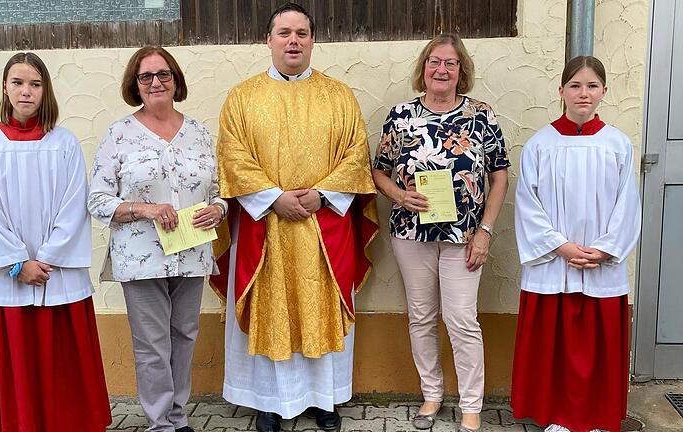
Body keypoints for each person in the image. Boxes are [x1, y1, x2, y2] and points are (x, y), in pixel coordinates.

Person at [212, 3, 379, 432]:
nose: (293, 41)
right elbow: (232, 155)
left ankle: (326, 400)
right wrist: (273, 198)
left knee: (321, 307)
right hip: (265, 225)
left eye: (301, 33)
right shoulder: (243, 98)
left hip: (324, 227)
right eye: (284, 33)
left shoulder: (339, 96)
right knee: (272, 308)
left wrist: (321, 196)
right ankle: (268, 401)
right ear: (268, 40)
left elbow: (356, 155)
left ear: (311, 40)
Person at [371, 34, 510, 432]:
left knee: (462, 319)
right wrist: (399, 194)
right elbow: (378, 169)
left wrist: (485, 231)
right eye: (434, 62)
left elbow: (499, 177)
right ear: (423, 68)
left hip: (465, 236)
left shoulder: (481, 115)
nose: (441, 70)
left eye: (450, 63)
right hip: (410, 232)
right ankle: (431, 394)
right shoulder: (400, 115)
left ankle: (471, 404)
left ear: (461, 70)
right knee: (421, 316)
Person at [0, 52, 111, 431]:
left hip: (55, 275)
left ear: (45, 89)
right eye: (18, 83)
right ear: (5, 87)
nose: (26, 91)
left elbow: (72, 205)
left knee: (63, 360)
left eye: (35, 83)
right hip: (11, 277)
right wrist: (18, 263)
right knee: (20, 360)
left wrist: (45, 258)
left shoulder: (64, 143)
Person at [87, 46, 226, 432]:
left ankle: (178, 417)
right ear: (135, 85)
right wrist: (145, 209)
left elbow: (217, 190)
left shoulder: (198, 132)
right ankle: (159, 423)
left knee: (184, 335)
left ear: (176, 80)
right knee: (152, 343)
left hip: (192, 250)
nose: (155, 82)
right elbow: (97, 200)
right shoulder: (119, 133)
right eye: (145, 77)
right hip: (141, 256)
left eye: (163, 74)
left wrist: (219, 209)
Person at [511, 56, 641, 432]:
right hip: (555, 262)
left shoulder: (617, 144)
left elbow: (627, 204)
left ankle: (596, 416)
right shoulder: (541, 144)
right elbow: (528, 205)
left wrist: (604, 250)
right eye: (575, 85)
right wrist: (561, 247)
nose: (583, 94)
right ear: (561, 91)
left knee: (595, 348)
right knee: (557, 346)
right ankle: (557, 416)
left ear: (604, 91)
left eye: (592, 86)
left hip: (600, 264)